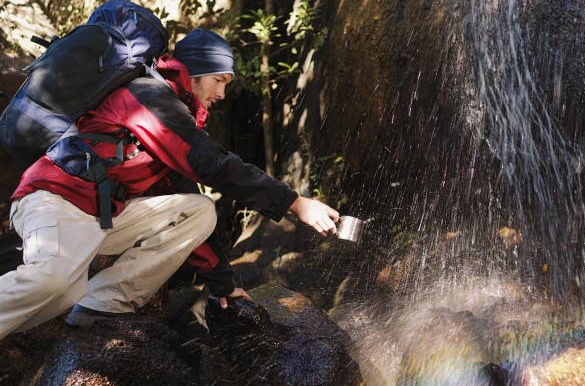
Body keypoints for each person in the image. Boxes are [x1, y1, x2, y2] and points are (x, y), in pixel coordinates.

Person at [0, 28, 338, 338]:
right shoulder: (150, 97)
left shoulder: (176, 116)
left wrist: (223, 287)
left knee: (198, 211)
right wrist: (294, 202)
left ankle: (102, 305)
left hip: (99, 217)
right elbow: (213, 165)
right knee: (53, 280)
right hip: (53, 199)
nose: (222, 94)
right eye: (219, 81)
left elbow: (184, 196)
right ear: (194, 73)